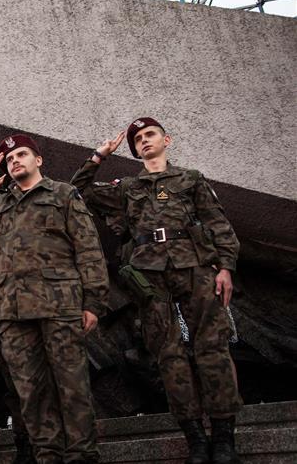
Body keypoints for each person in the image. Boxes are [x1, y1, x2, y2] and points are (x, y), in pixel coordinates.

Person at [70, 118, 242, 464]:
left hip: (195, 268)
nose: (144, 141)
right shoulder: (127, 187)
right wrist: (99, 155)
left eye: (149, 135)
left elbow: (218, 223)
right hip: (150, 277)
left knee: (212, 348)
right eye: (137, 139)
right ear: (134, 151)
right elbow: (78, 190)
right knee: (169, 355)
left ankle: (223, 439)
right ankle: (195, 438)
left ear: (167, 139)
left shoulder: (190, 179)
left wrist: (226, 267)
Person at [0, 135, 110, 464]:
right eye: (9, 159)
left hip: (59, 306)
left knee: (72, 386)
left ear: (39, 160)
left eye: (22, 154)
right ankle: (48, 455)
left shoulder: (63, 194)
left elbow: (88, 249)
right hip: (13, 313)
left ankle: (82, 456)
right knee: (31, 392)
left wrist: (93, 301)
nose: (15, 161)